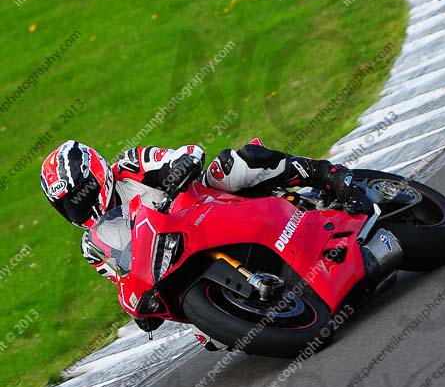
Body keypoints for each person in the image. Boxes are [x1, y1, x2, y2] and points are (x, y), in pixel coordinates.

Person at [40, 139, 371, 336]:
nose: (77, 205)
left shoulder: (130, 166)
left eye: (79, 195)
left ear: (95, 173)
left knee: (228, 167)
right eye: (67, 203)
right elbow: (124, 279)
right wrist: (142, 312)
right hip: (175, 265)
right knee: (210, 338)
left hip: (206, 210)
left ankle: (328, 175)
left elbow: (186, 153)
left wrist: (183, 164)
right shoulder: (93, 247)